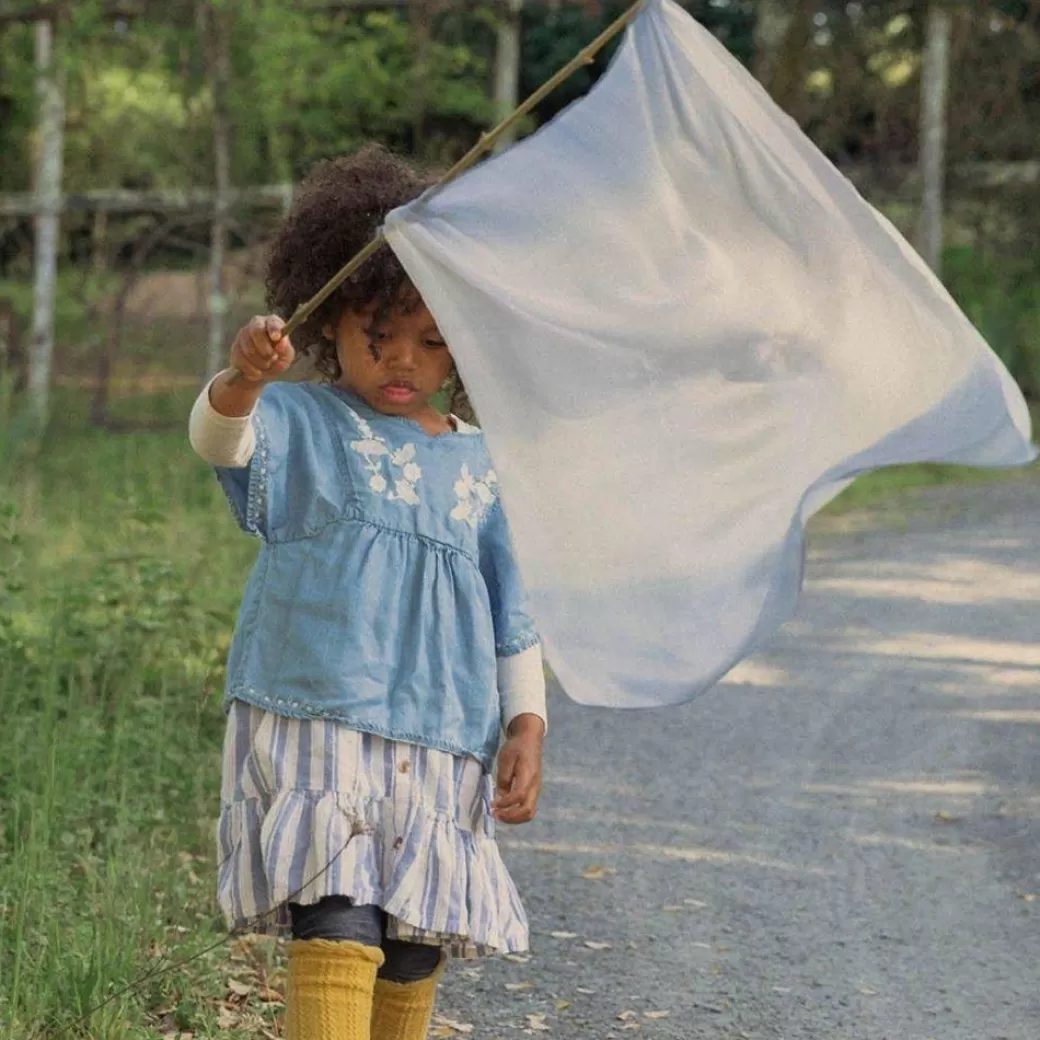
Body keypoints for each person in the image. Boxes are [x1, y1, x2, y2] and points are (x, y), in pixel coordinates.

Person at [188, 145, 547, 1040]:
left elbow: (514, 612)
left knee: (415, 938)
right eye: (375, 336)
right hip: (319, 713)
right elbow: (218, 441)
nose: (401, 362)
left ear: (464, 343)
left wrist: (527, 723)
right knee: (337, 911)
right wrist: (242, 379)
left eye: (431, 342)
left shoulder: (481, 463)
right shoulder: (302, 421)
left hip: (443, 730)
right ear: (328, 326)